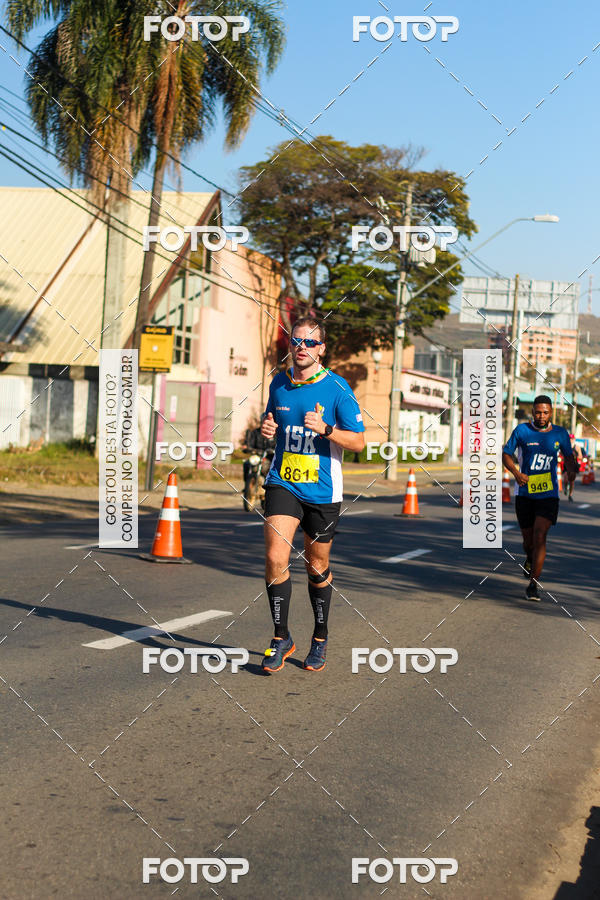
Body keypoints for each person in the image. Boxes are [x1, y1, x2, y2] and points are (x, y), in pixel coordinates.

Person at [259, 316, 365, 673]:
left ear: (321, 349)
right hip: (283, 481)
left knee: (315, 565)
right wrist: (267, 427)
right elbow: (271, 420)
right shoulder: (279, 383)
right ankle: (280, 636)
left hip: (322, 489)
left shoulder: (338, 388)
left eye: (308, 342)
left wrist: (327, 429)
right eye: (296, 341)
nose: (300, 347)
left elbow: (359, 441)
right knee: (276, 556)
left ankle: (320, 637)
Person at [502, 395, 577, 601]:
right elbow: (506, 454)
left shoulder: (560, 434)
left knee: (540, 536)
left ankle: (533, 585)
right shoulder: (522, 431)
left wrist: (571, 471)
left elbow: (569, 457)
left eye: (545, 412)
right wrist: (517, 474)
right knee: (528, 541)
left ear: (551, 412)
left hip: (548, 495)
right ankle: (529, 558)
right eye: (537, 412)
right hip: (525, 493)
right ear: (532, 412)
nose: (541, 416)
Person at [563, 433, 582, 502]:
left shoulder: (577, 447)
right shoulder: (565, 446)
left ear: (574, 439)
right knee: (565, 479)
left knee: (572, 482)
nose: (571, 440)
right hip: (566, 465)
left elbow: (581, 456)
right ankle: (565, 488)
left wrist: (576, 455)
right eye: (569, 439)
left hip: (573, 466)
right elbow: (561, 454)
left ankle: (570, 495)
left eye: (572, 439)